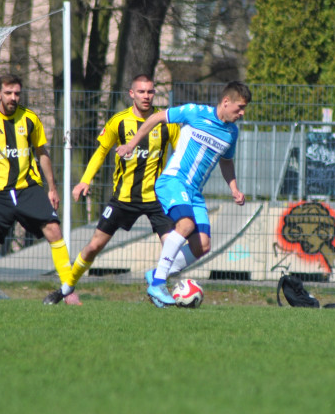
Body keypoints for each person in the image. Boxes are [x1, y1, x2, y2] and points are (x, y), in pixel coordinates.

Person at [117, 80, 251, 307]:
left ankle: (156, 274)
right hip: (173, 182)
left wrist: (234, 188)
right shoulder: (195, 112)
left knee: (203, 246)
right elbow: (154, 118)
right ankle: (158, 282)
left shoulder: (231, 133)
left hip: (195, 193)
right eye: (240, 108)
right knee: (186, 224)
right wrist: (131, 145)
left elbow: (226, 161)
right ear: (226, 102)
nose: (242, 113)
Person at [0, 73, 76, 304]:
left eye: (17, 93)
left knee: (54, 231)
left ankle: (68, 290)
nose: (13, 98)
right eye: (8, 93)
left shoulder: (30, 119)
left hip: (28, 188)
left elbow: (42, 154)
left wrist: (52, 188)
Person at [70, 75, 188, 294]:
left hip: (157, 199)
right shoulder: (119, 121)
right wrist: (84, 181)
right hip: (123, 198)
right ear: (132, 94)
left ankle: (160, 289)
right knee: (94, 246)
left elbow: (182, 155)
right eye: (141, 92)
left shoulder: (166, 122)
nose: (146, 96)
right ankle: (66, 287)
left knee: (173, 247)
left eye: (150, 92)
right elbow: (101, 152)